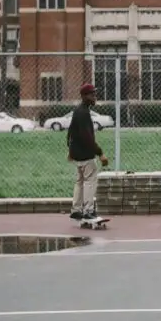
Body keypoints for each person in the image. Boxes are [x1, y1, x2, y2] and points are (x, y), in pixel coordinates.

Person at [67, 83, 108, 220]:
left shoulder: (78, 110)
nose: (94, 97)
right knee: (90, 181)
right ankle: (88, 211)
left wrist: (71, 150)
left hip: (77, 154)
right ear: (84, 96)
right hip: (85, 155)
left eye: (95, 94)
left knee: (79, 182)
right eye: (92, 94)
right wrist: (100, 153)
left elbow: (71, 132)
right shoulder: (83, 113)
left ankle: (76, 209)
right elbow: (87, 137)